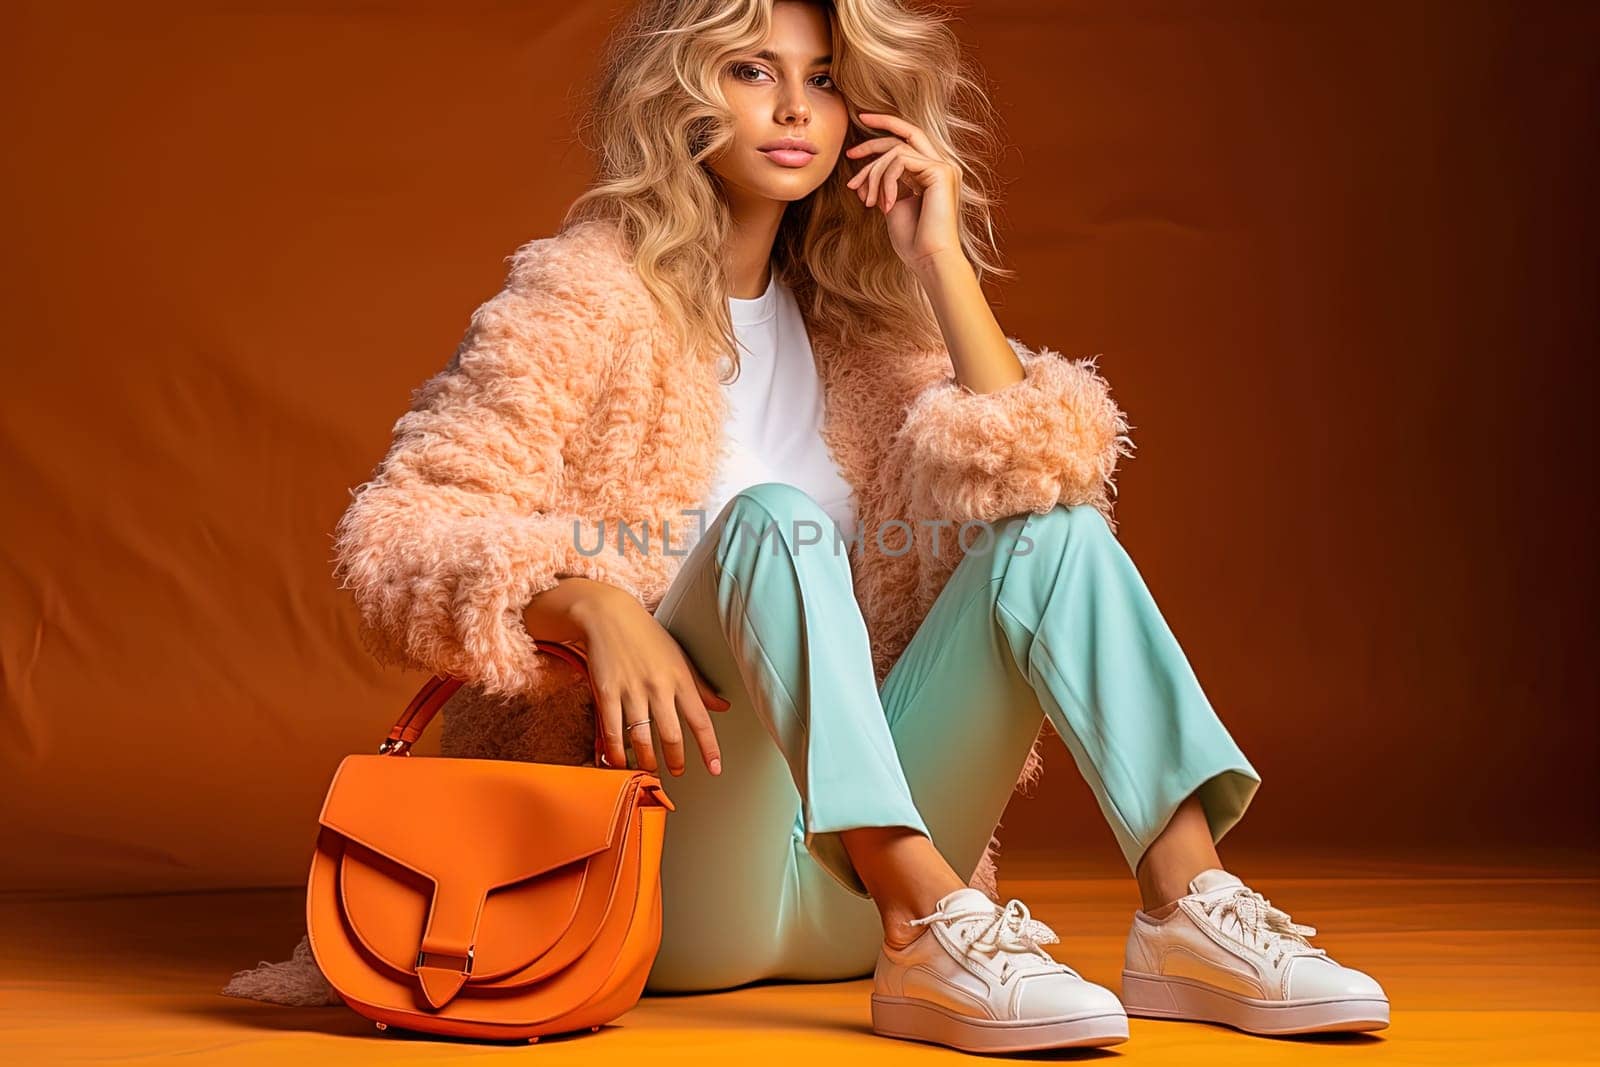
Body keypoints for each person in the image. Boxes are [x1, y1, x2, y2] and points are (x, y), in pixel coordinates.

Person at [245, 0, 1390, 1052]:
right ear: (678, 92)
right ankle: (924, 924)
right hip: (658, 870)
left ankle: (1185, 903)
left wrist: (938, 261)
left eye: (826, 77)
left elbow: (1043, 468)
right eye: (752, 70)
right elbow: (398, 534)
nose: (795, 108)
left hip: (847, 892)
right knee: (777, 523)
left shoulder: (859, 331)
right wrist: (583, 599)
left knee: (1053, 533)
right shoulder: (581, 296)